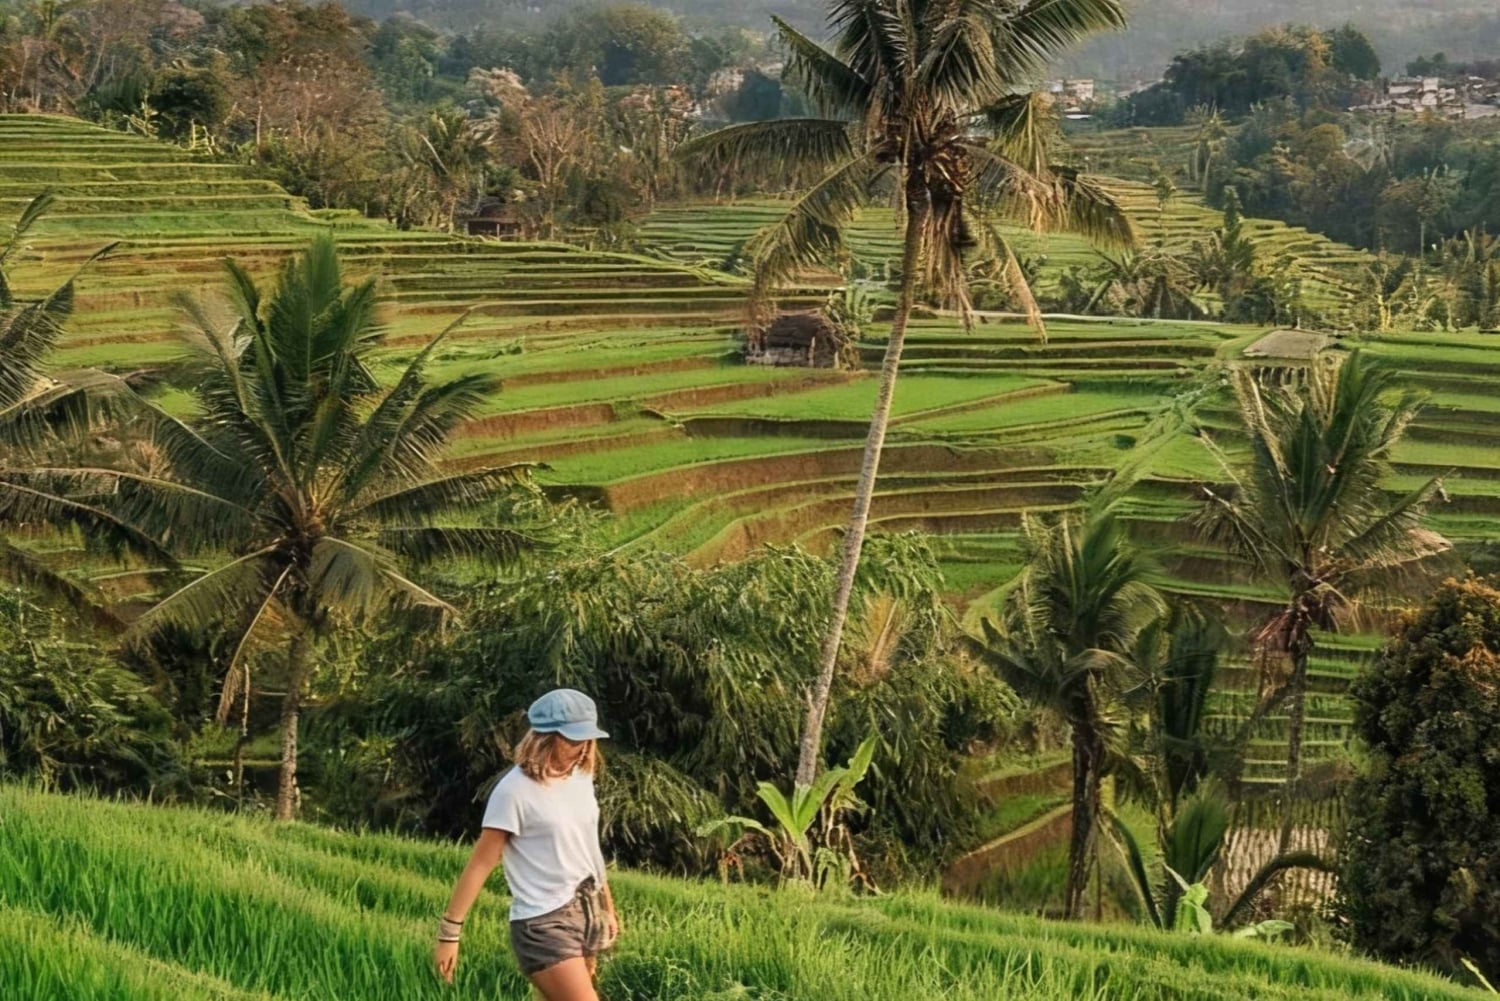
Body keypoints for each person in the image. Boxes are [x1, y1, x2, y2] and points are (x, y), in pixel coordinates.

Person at [434, 689, 620, 1000]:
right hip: (544, 923)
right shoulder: (514, 792)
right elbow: (481, 863)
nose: (583, 748)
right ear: (544, 738)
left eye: (587, 739)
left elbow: (587, 850)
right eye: (573, 739)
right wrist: (449, 934)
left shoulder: (579, 779)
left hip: (587, 909)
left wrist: (607, 908)